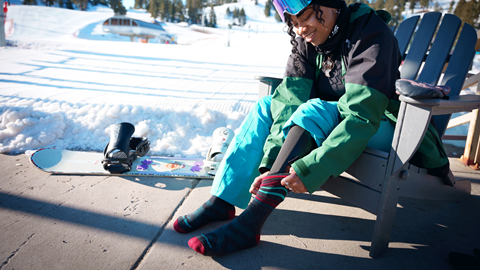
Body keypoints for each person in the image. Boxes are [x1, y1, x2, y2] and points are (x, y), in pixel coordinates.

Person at [173, 0, 451, 256]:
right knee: (266, 106)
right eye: (293, 22)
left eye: (305, 17)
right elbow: (287, 104)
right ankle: (222, 201)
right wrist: (271, 163)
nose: (300, 28)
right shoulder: (305, 41)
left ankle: (251, 223)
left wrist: (312, 168)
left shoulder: (370, 34)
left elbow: (362, 115)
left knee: (314, 109)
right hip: (335, 122)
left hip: (386, 128)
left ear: (329, 4)